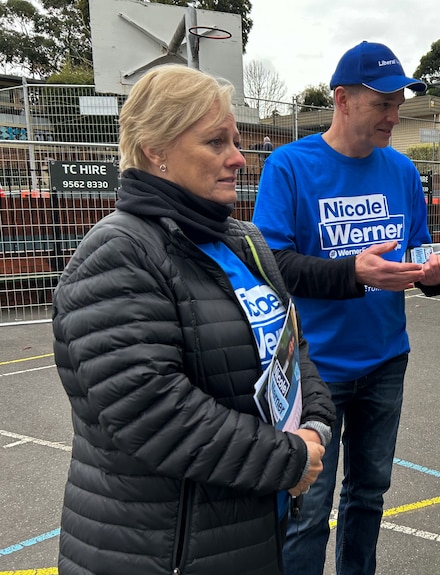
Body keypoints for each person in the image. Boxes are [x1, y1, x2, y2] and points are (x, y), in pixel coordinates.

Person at [52, 65, 335, 575]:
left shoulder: (244, 241)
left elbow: (291, 348)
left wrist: (314, 423)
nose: (238, 159)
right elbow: (154, 410)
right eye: (215, 142)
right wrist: (288, 459)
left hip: (248, 534)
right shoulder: (118, 252)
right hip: (159, 553)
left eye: (235, 140)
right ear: (154, 149)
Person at [252, 41, 440, 575]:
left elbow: (416, 258)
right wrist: (353, 273)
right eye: (382, 103)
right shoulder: (290, 166)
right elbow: (272, 265)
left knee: (369, 495)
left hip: (386, 359)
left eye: (398, 103)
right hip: (314, 366)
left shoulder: (402, 171)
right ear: (342, 100)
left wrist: (434, 276)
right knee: (308, 507)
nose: (395, 115)